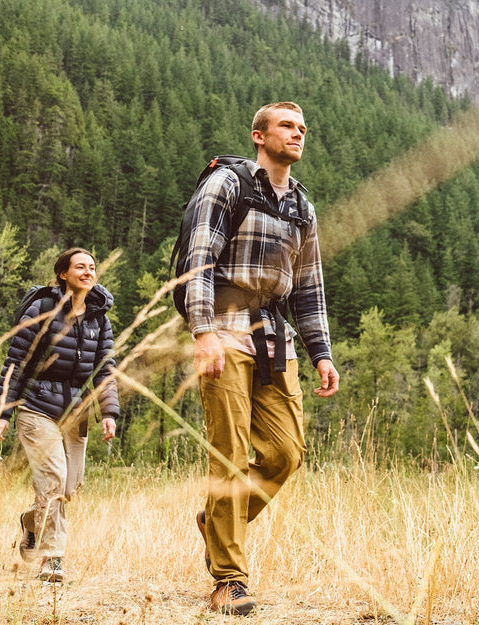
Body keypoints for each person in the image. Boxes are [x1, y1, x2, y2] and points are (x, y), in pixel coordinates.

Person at [182, 101, 340, 615]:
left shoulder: (301, 205)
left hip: (275, 335)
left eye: (303, 129)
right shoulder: (226, 185)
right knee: (227, 454)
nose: (298, 135)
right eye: (287, 127)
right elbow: (199, 261)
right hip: (225, 325)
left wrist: (321, 354)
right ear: (259, 135)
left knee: (286, 452)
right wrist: (203, 331)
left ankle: (216, 521)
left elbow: (309, 288)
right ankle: (230, 580)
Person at [0, 248, 119, 583]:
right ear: (63, 273)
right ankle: (52, 558)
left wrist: (109, 412)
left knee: (69, 486)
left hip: (76, 412)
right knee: (53, 480)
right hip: (37, 407)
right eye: (80, 267)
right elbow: (15, 362)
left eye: (92, 267)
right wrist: (4, 412)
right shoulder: (42, 309)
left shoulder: (99, 318)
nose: (88, 272)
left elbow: (106, 369)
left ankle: (31, 522)